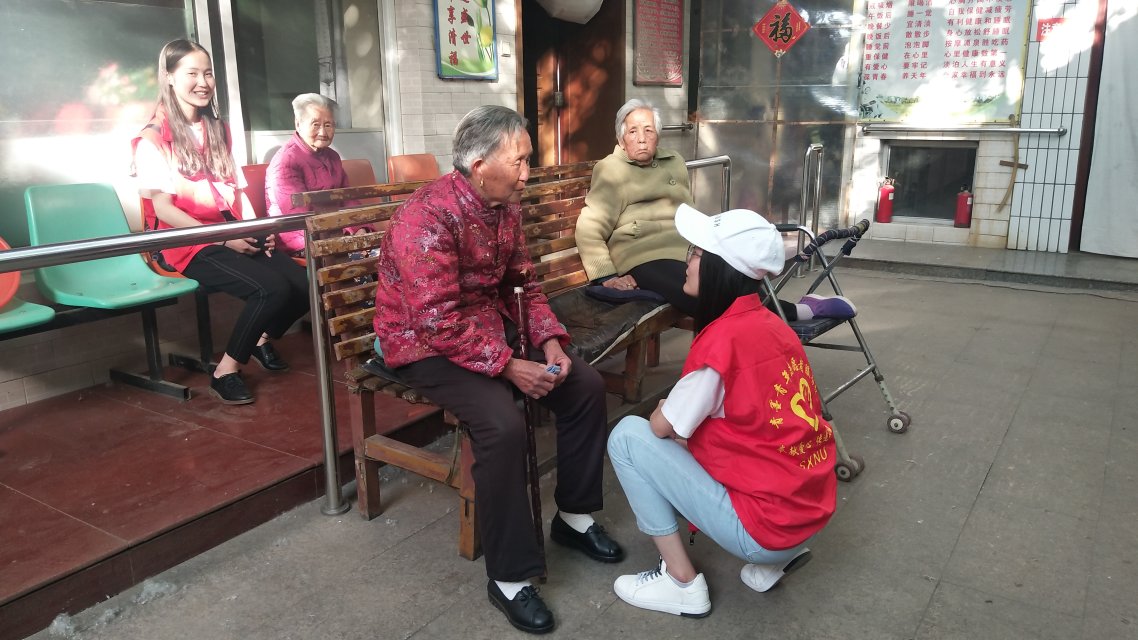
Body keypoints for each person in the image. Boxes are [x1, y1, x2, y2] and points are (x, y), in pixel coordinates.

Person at [372, 105, 623, 634]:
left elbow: (524, 284)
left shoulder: (503, 206)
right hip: (421, 344)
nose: (528, 173)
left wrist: (549, 340)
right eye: (520, 161)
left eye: (529, 160)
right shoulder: (426, 217)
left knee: (583, 385)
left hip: (485, 327)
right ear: (480, 165)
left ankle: (574, 517)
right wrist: (510, 368)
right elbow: (436, 322)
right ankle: (508, 578)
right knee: (502, 424)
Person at [606, 203, 838, 617]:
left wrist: (666, 411)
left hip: (766, 528)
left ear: (720, 268)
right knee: (701, 434)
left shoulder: (722, 343)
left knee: (626, 436)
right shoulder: (774, 326)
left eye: (695, 253)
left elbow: (660, 427)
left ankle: (680, 583)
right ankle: (778, 558)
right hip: (809, 510)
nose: (687, 261)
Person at [132, 39, 308, 405]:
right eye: (192, 73)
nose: (203, 82)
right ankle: (225, 371)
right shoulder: (153, 138)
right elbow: (163, 209)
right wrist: (225, 240)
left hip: (227, 230)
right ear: (169, 77)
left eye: (208, 73)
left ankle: (259, 339)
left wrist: (259, 231)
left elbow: (238, 192)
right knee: (270, 289)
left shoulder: (218, 129)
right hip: (186, 240)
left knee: (304, 286)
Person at [575, 98, 855, 321]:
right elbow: (589, 227)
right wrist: (606, 276)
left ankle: (782, 313)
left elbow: (687, 208)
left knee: (732, 274)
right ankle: (798, 312)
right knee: (703, 297)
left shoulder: (673, 161)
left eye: (648, 130)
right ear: (621, 138)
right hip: (641, 254)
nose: (641, 138)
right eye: (633, 131)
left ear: (658, 135)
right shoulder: (610, 170)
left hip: (684, 246)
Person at [265, 93, 370, 255]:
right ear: (298, 124)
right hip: (303, 240)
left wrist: (360, 229)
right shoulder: (286, 160)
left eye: (328, 125)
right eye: (315, 124)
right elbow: (300, 215)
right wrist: (345, 236)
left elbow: (348, 199)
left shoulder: (332, 156)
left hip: (336, 233)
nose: (323, 132)